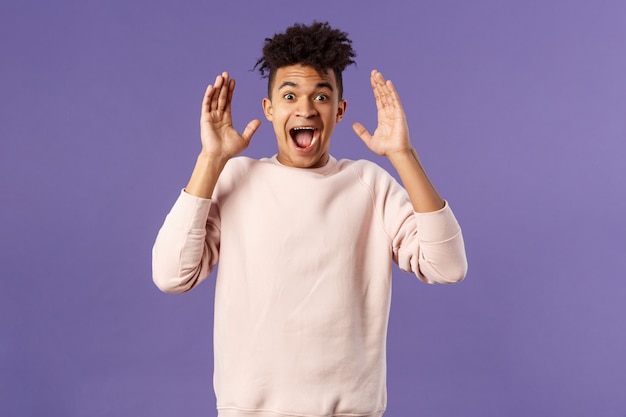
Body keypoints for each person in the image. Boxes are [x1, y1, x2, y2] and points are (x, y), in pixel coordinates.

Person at [153, 21, 467, 417]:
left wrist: (403, 156)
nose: (305, 108)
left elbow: (449, 266)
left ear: (339, 110)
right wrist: (211, 160)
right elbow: (170, 275)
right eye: (289, 95)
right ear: (269, 110)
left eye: (321, 95)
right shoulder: (235, 178)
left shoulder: (368, 183)